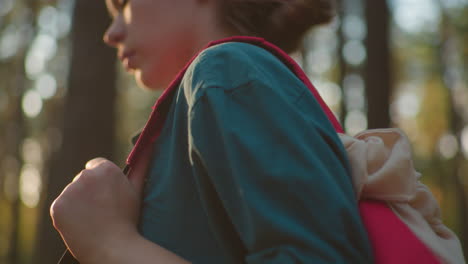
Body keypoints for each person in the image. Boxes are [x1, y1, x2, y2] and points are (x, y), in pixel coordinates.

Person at [50, 0, 374, 263]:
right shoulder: (217, 93)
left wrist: (112, 244)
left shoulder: (226, 72)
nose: (111, 33)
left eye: (123, 3)